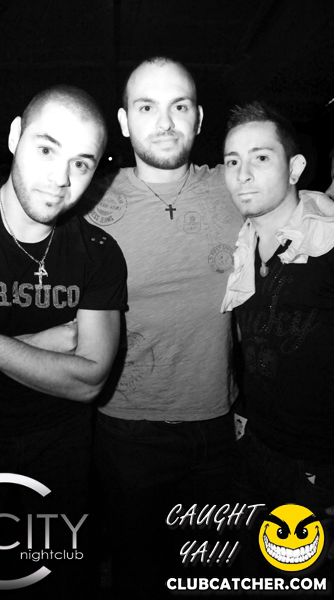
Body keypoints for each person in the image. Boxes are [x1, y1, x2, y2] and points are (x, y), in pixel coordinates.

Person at [0, 84, 127, 598]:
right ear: (15, 136)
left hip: (60, 450)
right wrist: (42, 341)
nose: (61, 179)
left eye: (81, 163)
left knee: (57, 581)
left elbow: (89, 381)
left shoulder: (99, 252)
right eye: (46, 149)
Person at [81, 56, 243, 599]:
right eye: (147, 107)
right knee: (139, 577)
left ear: (199, 117)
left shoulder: (236, 187)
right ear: (124, 122)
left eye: (179, 106)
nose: (166, 122)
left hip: (219, 425)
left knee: (210, 578)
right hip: (127, 432)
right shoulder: (87, 205)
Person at [221, 101, 334, 580]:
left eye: (261, 158)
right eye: (232, 161)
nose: (243, 174)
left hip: (320, 465)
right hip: (257, 449)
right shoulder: (239, 243)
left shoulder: (329, 241)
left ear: (295, 168)